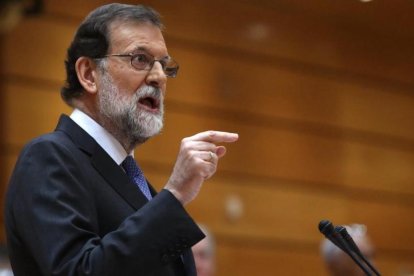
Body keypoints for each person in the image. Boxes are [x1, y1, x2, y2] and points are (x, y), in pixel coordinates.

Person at [4, 3, 238, 276]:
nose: (160, 77)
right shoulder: (48, 157)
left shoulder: (130, 178)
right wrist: (174, 193)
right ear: (89, 75)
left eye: (164, 64)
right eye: (140, 59)